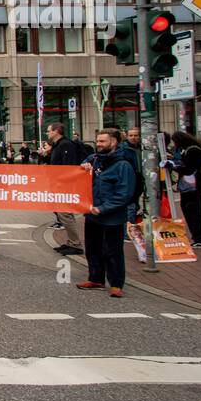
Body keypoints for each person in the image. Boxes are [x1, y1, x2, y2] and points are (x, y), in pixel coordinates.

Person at [77, 129, 136, 298]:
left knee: (112, 251)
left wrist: (103, 208)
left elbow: (124, 193)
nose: (99, 144)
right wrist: (83, 167)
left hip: (112, 217)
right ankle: (95, 278)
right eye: (98, 141)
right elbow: (78, 172)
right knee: (92, 248)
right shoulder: (94, 159)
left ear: (114, 142)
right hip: (92, 215)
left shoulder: (123, 165)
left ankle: (116, 284)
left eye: (103, 141)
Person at [44, 122, 85, 256]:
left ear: (56, 131)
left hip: (64, 185)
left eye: (49, 131)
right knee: (62, 213)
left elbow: (69, 166)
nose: (47, 133)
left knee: (65, 214)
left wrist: (62, 182)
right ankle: (71, 242)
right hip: (58, 184)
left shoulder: (65, 144)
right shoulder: (58, 145)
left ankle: (75, 243)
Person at [167, 131, 201, 247]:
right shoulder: (192, 149)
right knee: (192, 210)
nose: (174, 144)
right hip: (192, 185)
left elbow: (188, 169)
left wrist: (173, 165)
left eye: (175, 141)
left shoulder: (192, 151)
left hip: (193, 186)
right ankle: (200, 235)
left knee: (192, 210)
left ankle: (200, 238)